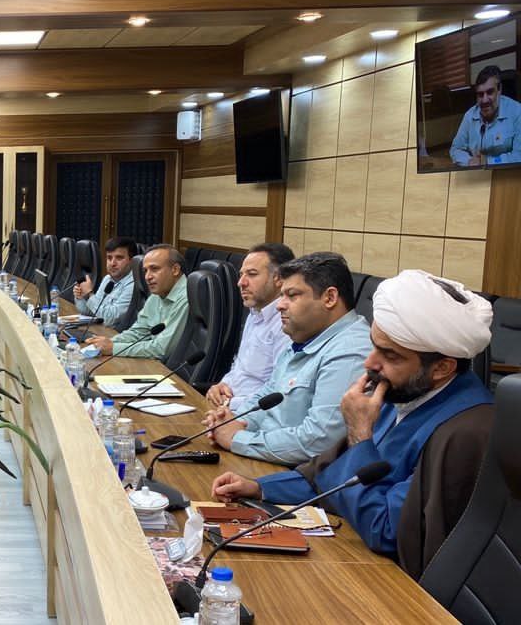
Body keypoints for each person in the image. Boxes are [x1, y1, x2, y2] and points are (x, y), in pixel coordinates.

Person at [212, 270, 494, 575]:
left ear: (442, 368)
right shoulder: (405, 391)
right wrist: (260, 488)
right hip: (350, 557)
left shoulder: (466, 432)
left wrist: (360, 436)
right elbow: (326, 477)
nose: (369, 363)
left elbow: (387, 531)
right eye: (374, 346)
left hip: (389, 582)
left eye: (390, 356)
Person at [204, 252, 371, 465]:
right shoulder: (305, 337)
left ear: (329, 298)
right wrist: (230, 421)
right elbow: (265, 396)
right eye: (282, 295)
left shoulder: (351, 350)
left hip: (296, 475)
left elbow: (319, 441)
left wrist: (237, 438)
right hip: (265, 457)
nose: (280, 305)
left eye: (292, 295)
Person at [206, 243, 295, 406]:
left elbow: (277, 391)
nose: (241, 282)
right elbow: (239, 368)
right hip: (227, 406)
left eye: (252, 274)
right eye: (241, 275)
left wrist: (230, 403)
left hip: (249, 413)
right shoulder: (254, 313)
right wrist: (221, 385)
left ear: (279, 279)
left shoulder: (287, 323)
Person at [86, 244, 189, 360]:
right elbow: (138, 332)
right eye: (145, 271)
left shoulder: (186, 298)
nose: (147, 277)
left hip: (171, 368)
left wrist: (113, 348)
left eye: (154, 269)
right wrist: (109, 342)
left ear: (175, 270)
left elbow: (161, 349)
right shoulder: (158, 294)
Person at [450, 65, 521, 167]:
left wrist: (488, 162)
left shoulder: (517, 112)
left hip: (508, 173)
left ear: (499, 89)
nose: (484, 100)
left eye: (490, 92)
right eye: (480, 94)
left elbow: (518, 156)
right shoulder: (470, 115)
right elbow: (455, 149)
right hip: (477, 172)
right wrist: (469, 161)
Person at [73, 236, 136, 324]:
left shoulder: (133, 284)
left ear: (131, 261)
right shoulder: (107, 279)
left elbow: (110, 319)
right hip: (101, 330)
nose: (112, 263)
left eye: (119, 258)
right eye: (109, 258)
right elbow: (93, 312)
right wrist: (81, 297)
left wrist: (90, 294)